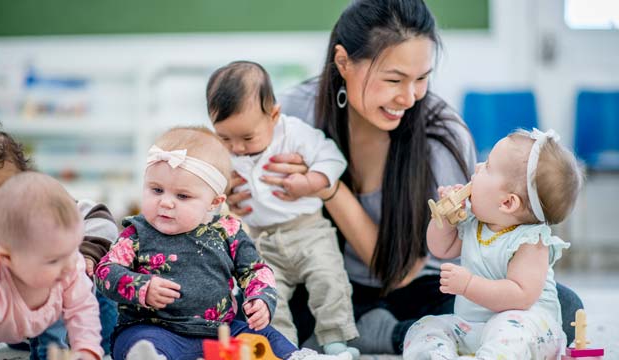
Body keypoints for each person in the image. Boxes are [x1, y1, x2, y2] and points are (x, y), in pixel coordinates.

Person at [225, 0, 583, 353]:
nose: (409, 97)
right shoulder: (290, 117)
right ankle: (359, 327)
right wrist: (230, 193)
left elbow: (401, 271)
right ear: (343, 63)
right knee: (246, 305)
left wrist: (328, 188)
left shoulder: (443, 137)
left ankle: (381, 331)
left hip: (411, 283)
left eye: (422, 79)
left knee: (558, 308)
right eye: (394, 79)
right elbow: (221, 170)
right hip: (315, 276)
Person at [94, 126, 353, 360]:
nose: (166, 202)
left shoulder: (227, 230)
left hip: (222, 331)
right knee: (137, 341)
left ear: (214, 203)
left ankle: (298, 358)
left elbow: (254, 270)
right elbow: (104, 272)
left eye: (182, 196)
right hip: (156, 328)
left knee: (263, 335)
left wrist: (261, 298)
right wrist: (141, 287)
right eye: (156, 190)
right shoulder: (137, 233)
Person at [206, 61, 359, 358]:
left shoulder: (294, 134)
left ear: (274, 115)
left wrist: (310, 181)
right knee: (265, 298)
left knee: (329, 280)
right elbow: (208, 183)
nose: (236, 147)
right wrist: (222, 189)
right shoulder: (222, 151)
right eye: (225, 137)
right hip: (261, 240)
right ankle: (284, 348)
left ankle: (336, 341)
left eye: (247, 138)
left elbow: (333, 158)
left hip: (308, 230)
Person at [403, 128, 582, 358]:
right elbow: (440, 248)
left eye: (487, 166)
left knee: (510, 333)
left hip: (524, 326)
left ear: (507, 202)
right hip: (472, 327)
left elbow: (520, 295)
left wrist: (468, 285)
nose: (477, 167)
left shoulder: (531, 241)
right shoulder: (475, 222)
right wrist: (446, 220)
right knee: (425, 328)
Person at [0, 116, 118, 359]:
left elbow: (98, 217)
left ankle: (109, 345)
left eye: (5, 198)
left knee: (97, 292)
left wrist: (82, 254)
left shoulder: (44, 213)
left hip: (54, 307)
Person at [0, 172, 103, 359]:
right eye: (53, 260)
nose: (69, 266)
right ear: (7, 258)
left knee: (61, 327)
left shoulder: (70, 265)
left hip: (45, 315)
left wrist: (87, 350)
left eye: (73, 249)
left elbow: (82, 310)